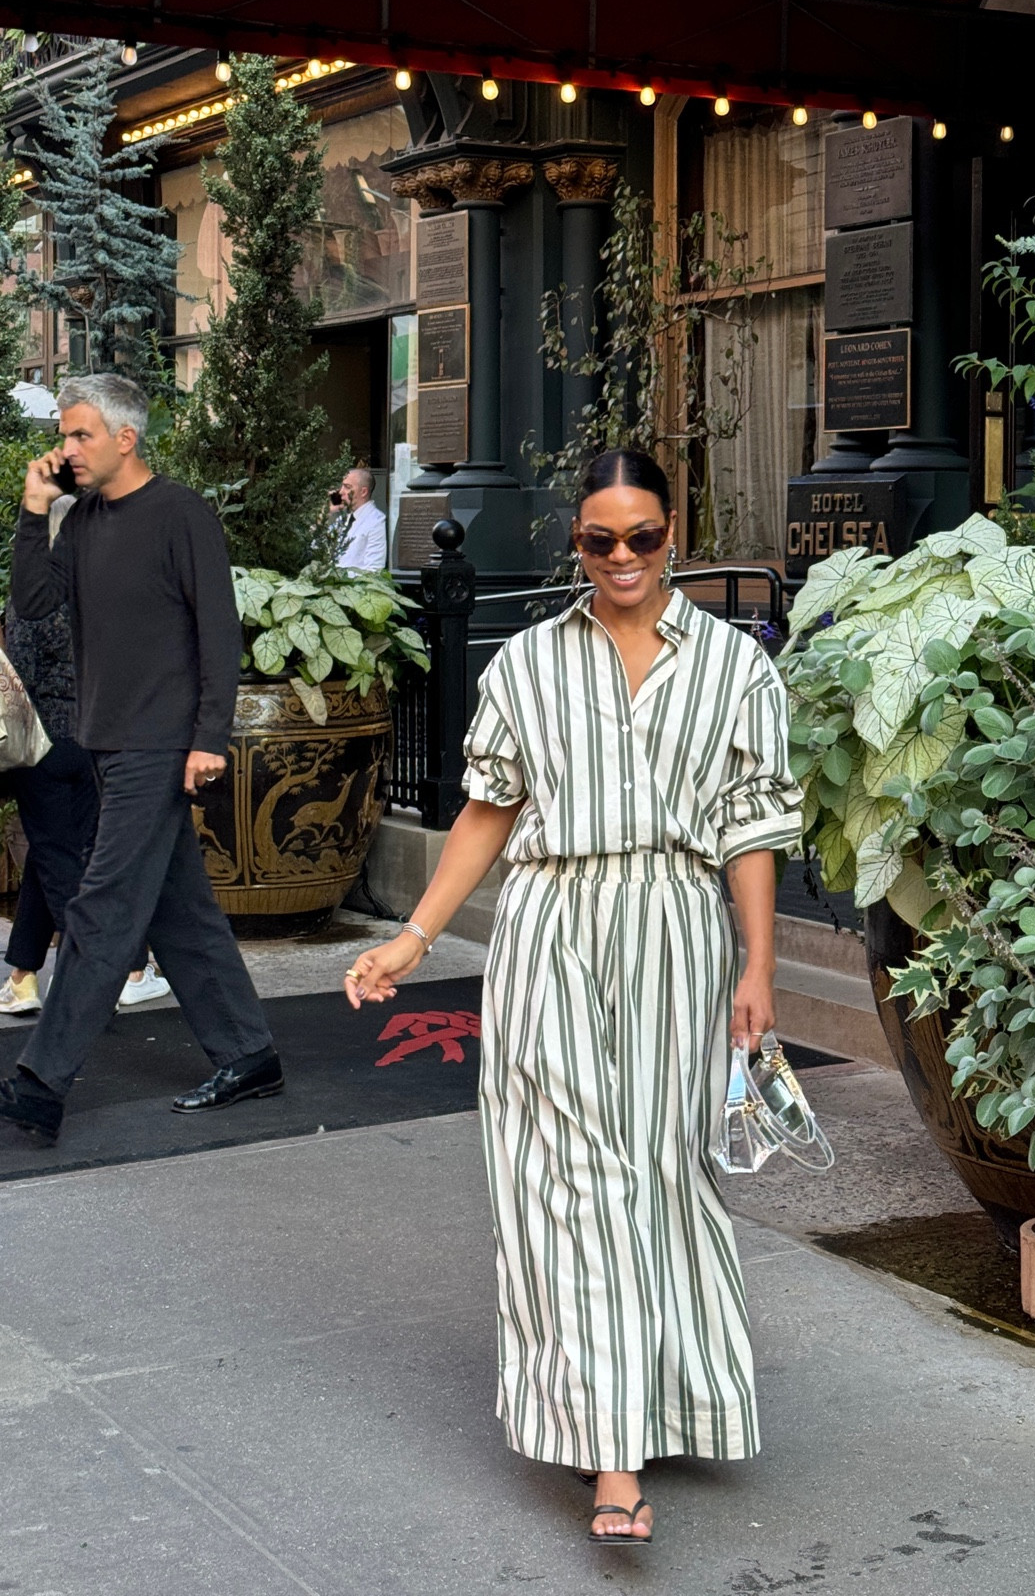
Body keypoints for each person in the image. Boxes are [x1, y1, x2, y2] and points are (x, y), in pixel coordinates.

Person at [344, 448, 802, 1547]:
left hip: (679, 929)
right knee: (567, 1178)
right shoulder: (528, 663)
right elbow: (490, 812)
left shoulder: (737, 668)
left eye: (643, 535)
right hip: (552, 929)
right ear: (577, 545)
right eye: (601, 540)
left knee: (662, 1172)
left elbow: (749, 825)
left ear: (673, 529)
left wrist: (758, 964)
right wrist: (414, 934)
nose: (625, 557)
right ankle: (611, 1454)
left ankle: (672, 1392)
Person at [0, 373, 282, 1147]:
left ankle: (40, 1082)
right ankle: (249, 1053)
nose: (67, 449)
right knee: (176, 908)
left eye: (81, 434)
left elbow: (218, 632)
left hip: (161, 742)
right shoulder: (83, 516)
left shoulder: (180, 513)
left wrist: (208, 736)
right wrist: (34, 513)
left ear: (126, 437)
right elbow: (30, 603)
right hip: (103, 739)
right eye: (64, 436)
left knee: (102, 906)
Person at [0, 495, 169, 1016]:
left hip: (42, 745)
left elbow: (20, 673)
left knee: (56, 858)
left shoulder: (33, 593)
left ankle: (111, 970)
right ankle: (35, 976)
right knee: (74, 858)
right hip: (98, 739)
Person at [334, 468, 388, 571]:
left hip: (352, 585)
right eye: (342, 486)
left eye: (347, 487)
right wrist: (326, 513)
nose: (341, 492)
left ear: (363, 492)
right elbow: (317, 548)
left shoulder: (376, 521)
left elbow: (373, 570)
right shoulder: (343, 519)